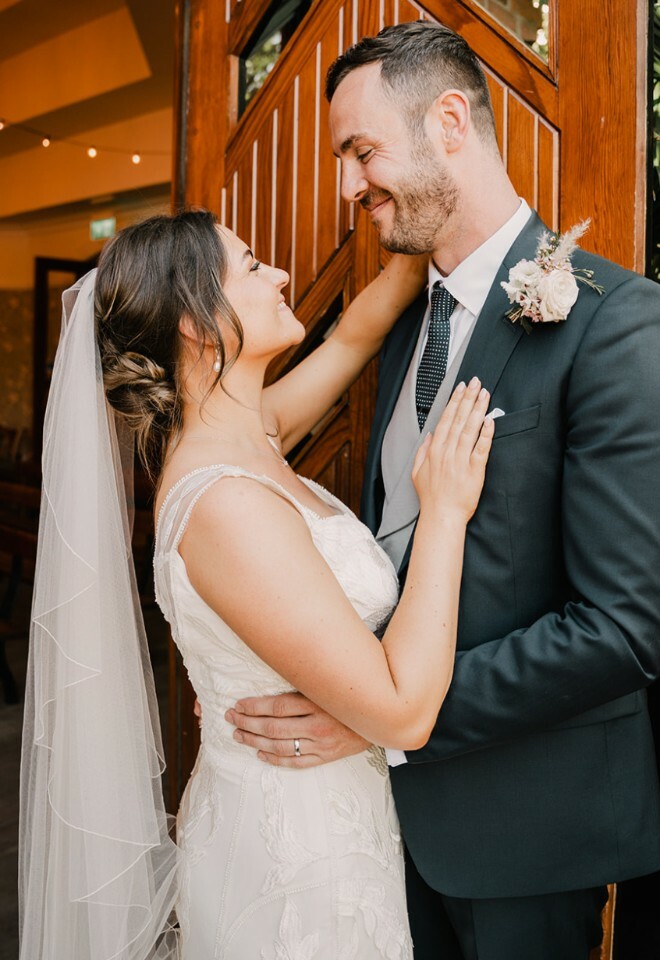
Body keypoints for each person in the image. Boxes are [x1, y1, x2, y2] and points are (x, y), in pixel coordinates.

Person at [226, 21, 660, 960]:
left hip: (526, 834)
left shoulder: (615, 324)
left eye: (362, 150)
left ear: (450, 122)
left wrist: (387, 718)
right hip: (379, 834)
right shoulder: (401, 325)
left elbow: (626, 628)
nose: (349, 186)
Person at [19, 208, 496, 960]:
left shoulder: (252, 431)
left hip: (322, 821)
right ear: (196, 324)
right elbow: (403, 713)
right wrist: (444, 511)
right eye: (250, 265)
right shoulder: (226, 504)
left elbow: (353, 338)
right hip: (294, 862)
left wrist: (422, 235)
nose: (279, 275)